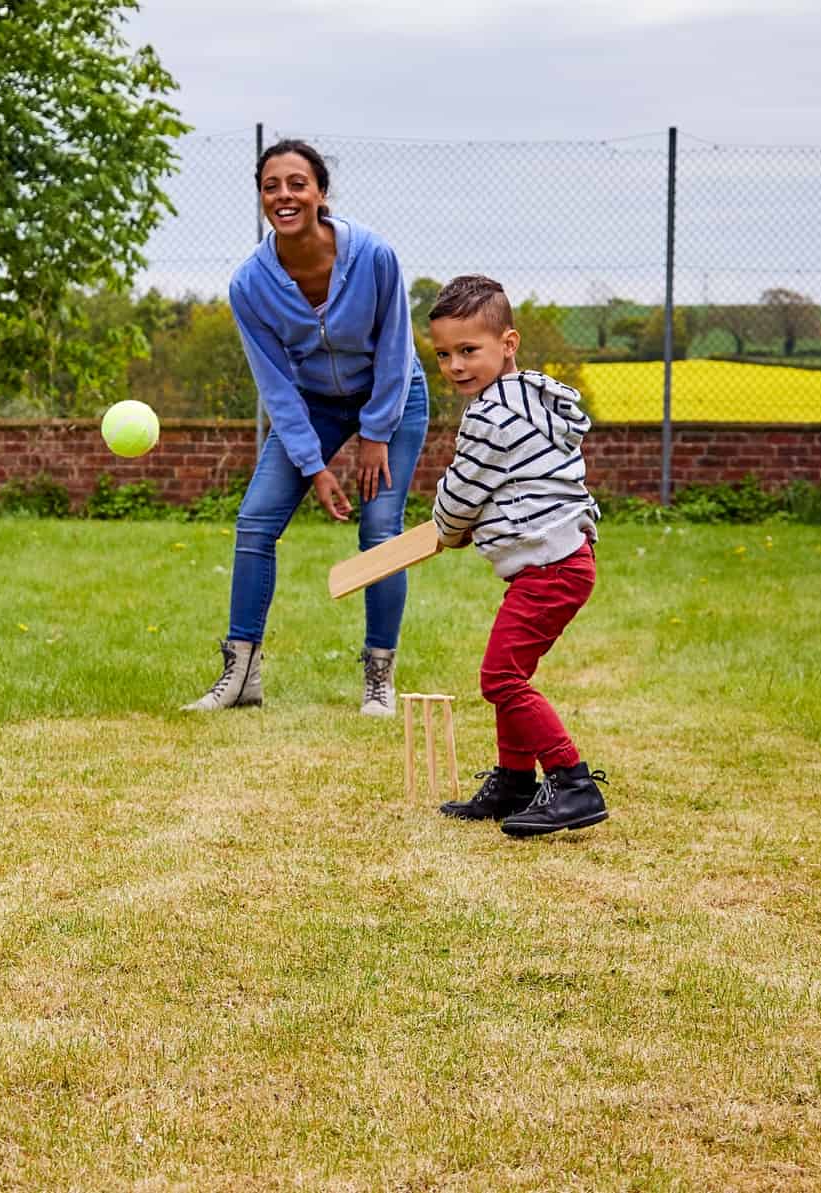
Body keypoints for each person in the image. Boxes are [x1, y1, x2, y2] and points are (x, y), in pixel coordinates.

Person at [184, 140, 429, 717]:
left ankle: (379, 675)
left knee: (380, 528)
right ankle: (241, 674)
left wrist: (375, 435)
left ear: (320, 192)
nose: (284, 195)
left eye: (297, 183)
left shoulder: (372, 255)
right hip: (313, 405)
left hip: (390, 398)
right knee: (255, 521)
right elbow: (276, 388)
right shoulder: (250, 284)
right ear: (262, 197)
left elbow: (397, 350)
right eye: (272, 186)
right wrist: (315, 468)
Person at [424, 276, 609, 838]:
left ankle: (573, 782)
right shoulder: (529, 396)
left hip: (549, 567)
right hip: (561, 559)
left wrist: (447, 527)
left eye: (469, 350)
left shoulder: (488, 416)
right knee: (512, 671)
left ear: (509, 343)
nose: (456, 365)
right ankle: (514, 782)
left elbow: (462, 491)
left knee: (502, 677)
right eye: (444, 355)